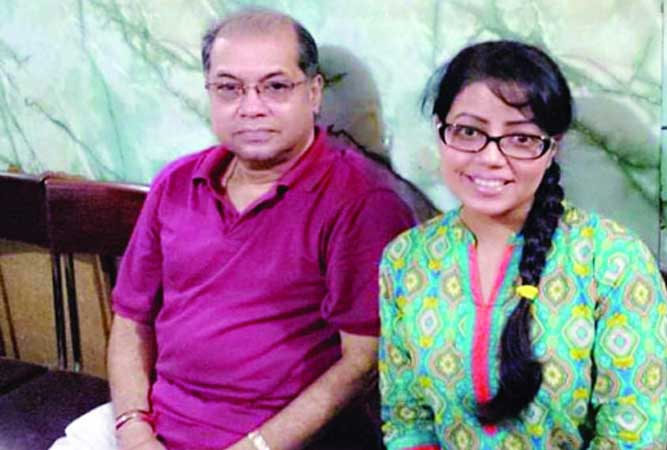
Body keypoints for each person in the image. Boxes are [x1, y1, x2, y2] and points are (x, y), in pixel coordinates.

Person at [50, 7, 415, 450]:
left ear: (314, 93)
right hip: (150, 425)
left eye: (275, 86)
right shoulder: (177, 183)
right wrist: (134, 430)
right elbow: (131, 318)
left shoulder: (361, 202)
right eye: (229, 88)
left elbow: (361, 364)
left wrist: (254, 447)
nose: (251, 108)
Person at [378, 41, 667, 449]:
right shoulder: (406, 259)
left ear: (553, 147)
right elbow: (406, 418)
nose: (491, 157)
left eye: (520, 138)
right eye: (468, 132)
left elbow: (633, 435)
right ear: (441, 131)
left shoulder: (613, 260)